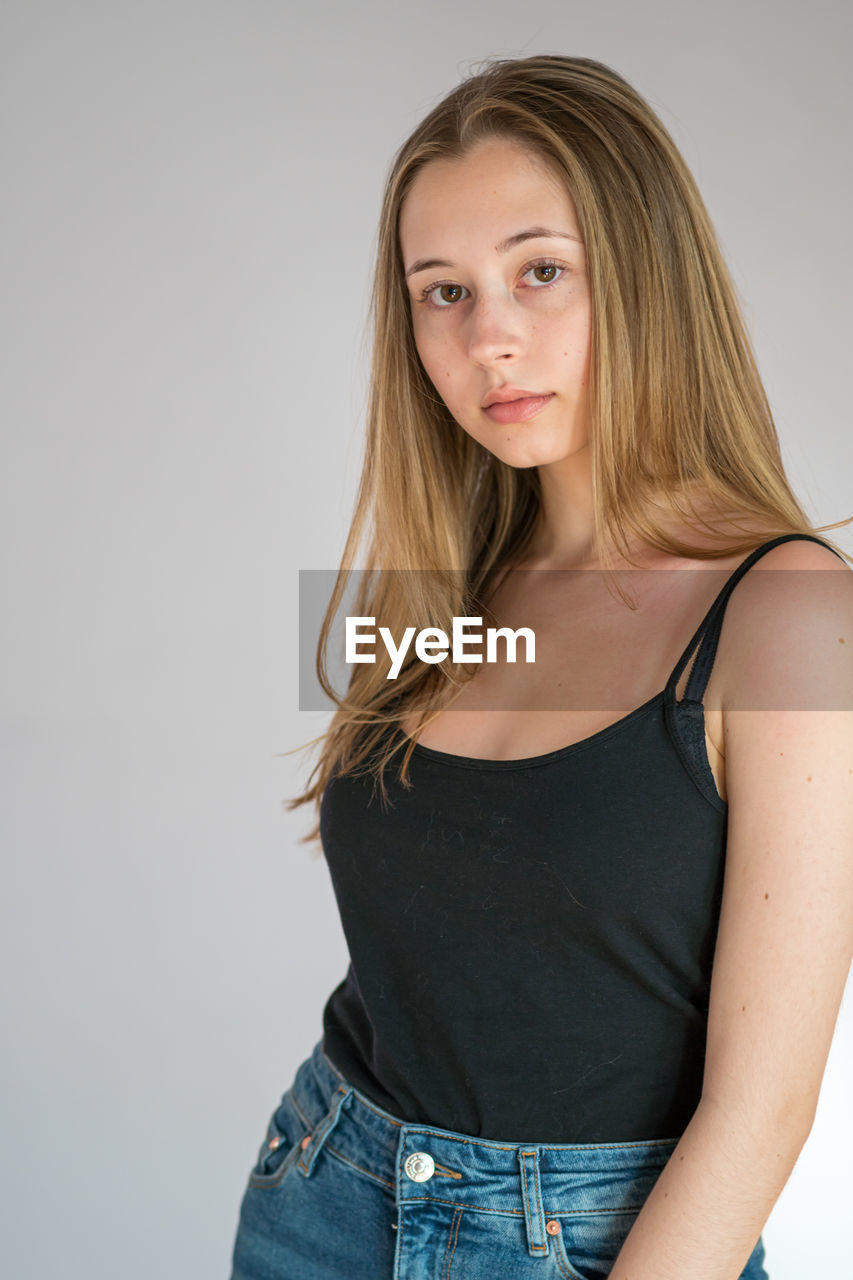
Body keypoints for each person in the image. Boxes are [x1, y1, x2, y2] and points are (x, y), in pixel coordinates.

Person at [228, 54, 853, 1280]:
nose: (491, 338)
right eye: (442, 291)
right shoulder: (439, 595)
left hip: (608, 1241)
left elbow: (762, 1108)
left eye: (540, 271)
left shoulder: (790, 610)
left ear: (647, 274)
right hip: (326, 1196)